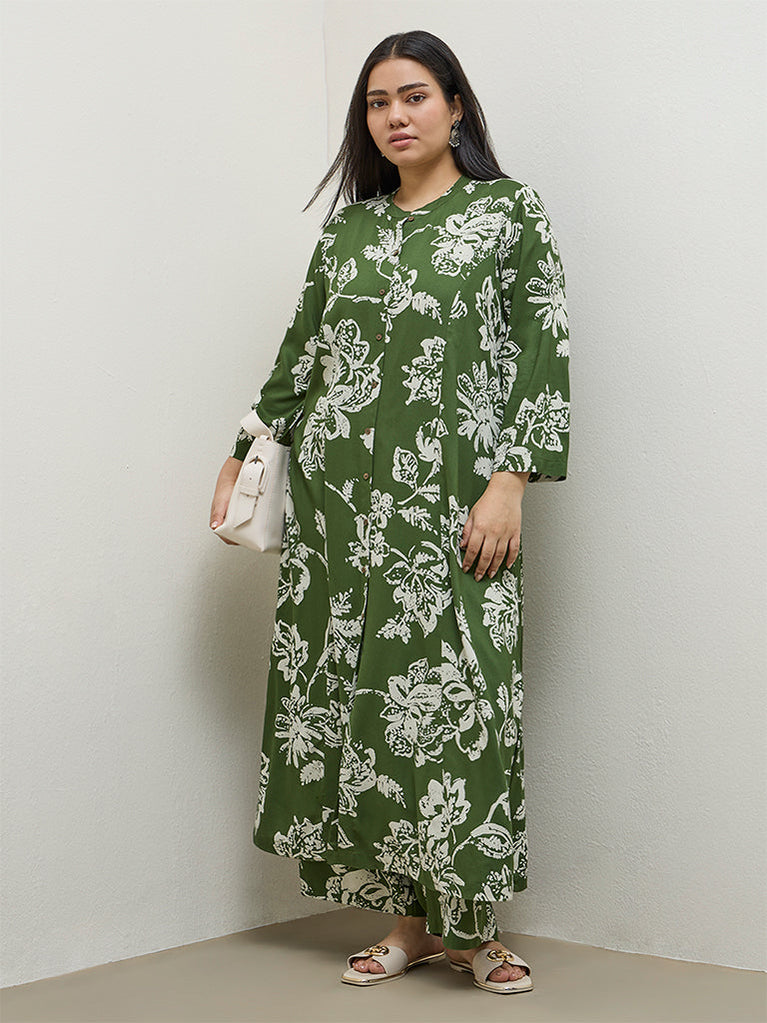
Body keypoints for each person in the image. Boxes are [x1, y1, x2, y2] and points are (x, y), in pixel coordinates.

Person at [210, 29, 570, 996]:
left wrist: (510, 480)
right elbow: (301, 350)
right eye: (377, 102)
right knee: (364, 706)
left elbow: (542, 347)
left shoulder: (507, 213)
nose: (395, 116)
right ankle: (408, 923)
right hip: (340, 509)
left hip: (455, 501)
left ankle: (475, 929)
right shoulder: (350, 230)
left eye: (413, 96)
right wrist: (244, 451)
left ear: (456, 106)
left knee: (462, 704)